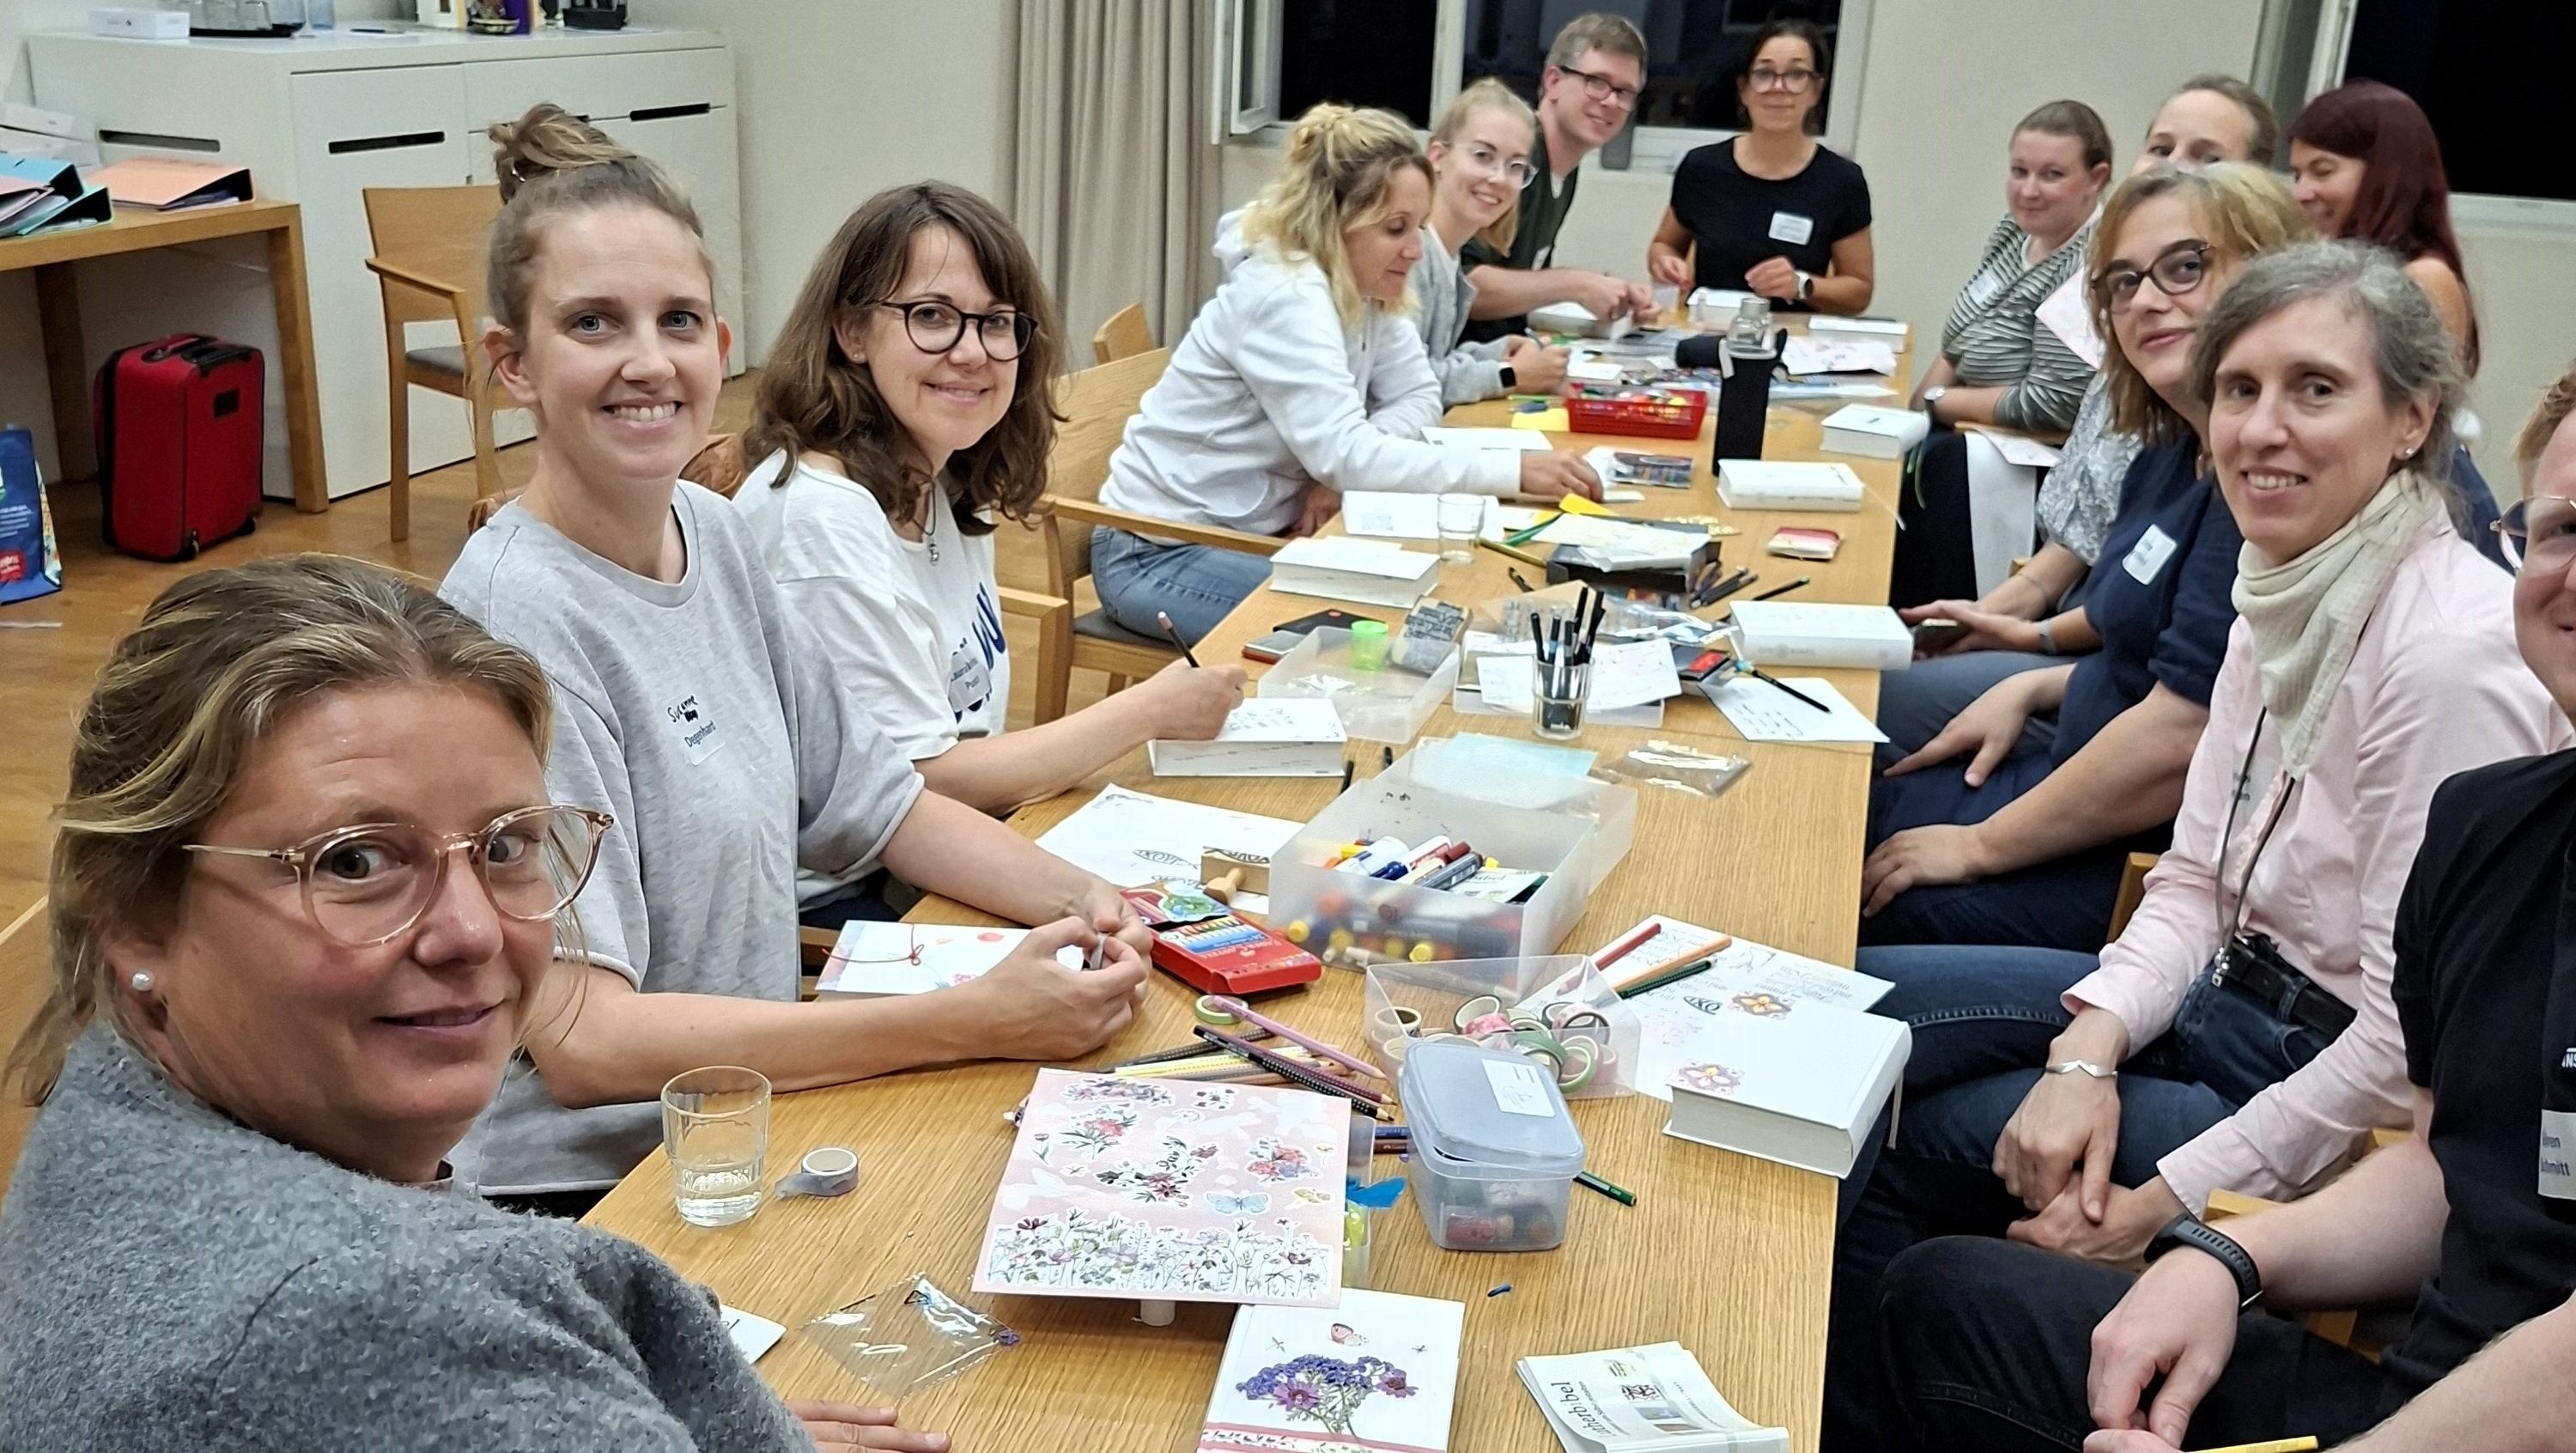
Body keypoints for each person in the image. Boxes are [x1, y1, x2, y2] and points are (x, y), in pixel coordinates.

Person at [1826, 243, 2571, 1451]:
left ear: (2412, 418)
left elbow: (2394, 1059)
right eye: (2240, 390)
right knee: (1835, 1023)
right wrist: (2088, 1049)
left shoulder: (2449, 657)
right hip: (2223, 1010)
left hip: (2312, 1086)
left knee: (1874, 1129)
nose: (2262, 429)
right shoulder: (2284, 580)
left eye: (2316, 390)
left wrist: (2159, 1211)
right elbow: (2193, 884)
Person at [0, 554, 945, 1452]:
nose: (474, 933)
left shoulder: (118, 1132)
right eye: (355, 861)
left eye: (505, 847)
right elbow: (383, 1350)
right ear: (132, 913)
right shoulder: (386, 1326)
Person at [439, 106, 1151, 1213]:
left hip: (748, 1119)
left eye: (678, 320)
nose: (647, 361)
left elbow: (879, 802)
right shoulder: (513, 622)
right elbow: (584, 1043)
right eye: (592, 323)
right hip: (595, 1190)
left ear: (723, 348)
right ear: (510, 365)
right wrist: (956, 1025)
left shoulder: (711, 532)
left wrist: (1103, 903)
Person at [1858, 163, 2306, 951]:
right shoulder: (2172, 451)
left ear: (2269, 272)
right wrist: (2036, 681)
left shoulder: (2263, 487)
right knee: (1850, 800)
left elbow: (2182, 734)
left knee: (1854, 890)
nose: (2146, 300)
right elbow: (2146, 649)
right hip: (2077, 750)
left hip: (2145, 859)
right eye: (2123, 282)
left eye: (2185, 267)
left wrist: (1977, 847)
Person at [732, 181, 1246, 824]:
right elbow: (919, 792)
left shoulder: (937, 479)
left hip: (961, 840)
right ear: (851, 332)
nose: (973, 352)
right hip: (855, 902)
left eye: (996, 322)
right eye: (932, 316)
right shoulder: (822, 519)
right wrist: (1147, 713)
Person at [1091, 103, 1601, 644]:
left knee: (1427, 612)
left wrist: (1337, 469)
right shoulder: (1286, 294)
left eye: (1419, 227)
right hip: (1156, 556)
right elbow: (1348, 455)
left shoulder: (1369, 286)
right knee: (1387, 636)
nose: (1414, 250)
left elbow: (1418, 396)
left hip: (1241, 538)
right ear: (1333, 221)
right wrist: (1513, 471)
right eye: (1395, 229)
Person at [1886, 77, 2275, 613]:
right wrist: (1986, 620)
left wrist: (1933, 404)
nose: (2173, 168)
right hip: (2069, 611)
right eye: (2161, 148)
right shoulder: (2130, 361)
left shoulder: (2215, 417)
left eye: (2206, 157)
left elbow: (2135, 631)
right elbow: (2071, 553)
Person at [1646, 18, 1874, 314]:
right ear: (1744, 89)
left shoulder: (1842, 180)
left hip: (1793, 345)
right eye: (1764, 73)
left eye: (1795, 74)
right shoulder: (1701, 168)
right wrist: (1664, 263)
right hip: (1707, 335)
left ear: (1816, 90)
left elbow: (1859, 291)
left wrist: (1801, 284)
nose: (1778, 87)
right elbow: (1663, 245)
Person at [1459, 12, 1656, 342]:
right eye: (1597, 82)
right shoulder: (1515, 158)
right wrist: (1576, 284)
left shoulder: (1565, 168)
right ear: (1553, 82)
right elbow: (1462, 286)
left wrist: (1609, 294)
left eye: (1624, 92)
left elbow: (1526, 283)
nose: (1610, 101)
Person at [2288, 80, 2478, 365]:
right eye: (2297, 176)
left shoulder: (2424, 278)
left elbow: (2431, 401)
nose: (2301, 193)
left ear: (2387, 175)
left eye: (2323, 171)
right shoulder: (2318, 268)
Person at [1409, 79, 1570, 405]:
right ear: (1437, 156)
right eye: (1483, 156)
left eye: (1515, 166)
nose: (1498, 178)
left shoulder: (1448, 256)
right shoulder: (1411, 255)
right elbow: (1405, 384)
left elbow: (1438, 356)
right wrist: (1508, 374)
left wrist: (1497, 352)